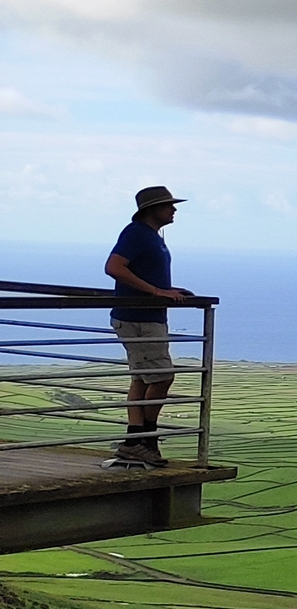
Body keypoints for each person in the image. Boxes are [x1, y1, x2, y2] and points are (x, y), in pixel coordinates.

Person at [103, 185, 195, 467]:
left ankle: (139, 441)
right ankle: (141, 439)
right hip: (139, 319)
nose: (174, 209)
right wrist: (156, 292)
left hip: (144, 318)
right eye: (168, 205)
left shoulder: (149, 236)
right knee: (162, 377)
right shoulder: (136, 234)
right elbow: (114, 267)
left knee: (143, 378)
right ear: (152, 210)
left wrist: (165, 289)